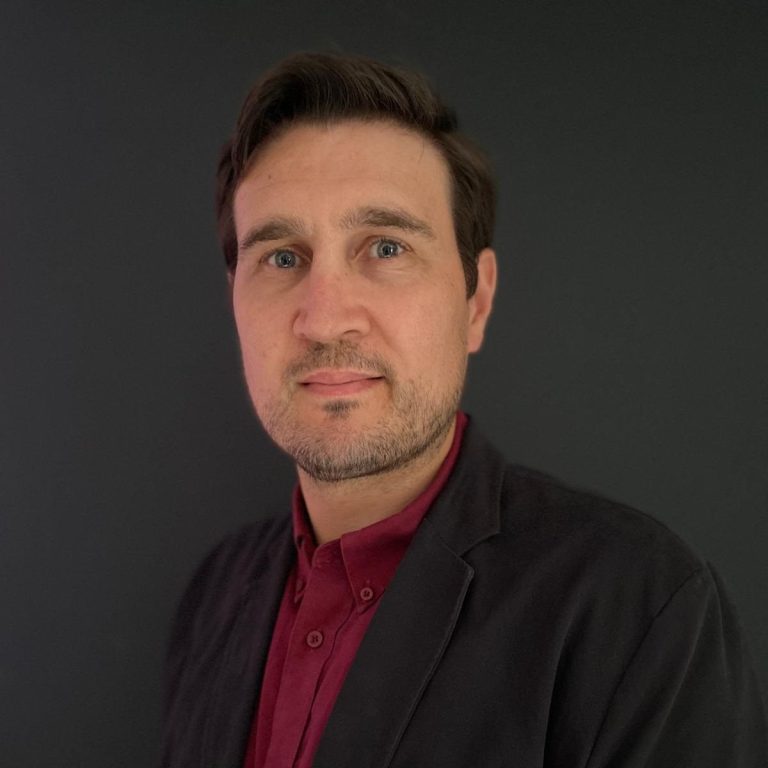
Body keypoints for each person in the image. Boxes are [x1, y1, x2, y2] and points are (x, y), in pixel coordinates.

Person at [160, 52, 766, 768]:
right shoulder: (214, 597)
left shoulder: (638, 609)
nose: (324, 320)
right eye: (283, 258)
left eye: (385, 247)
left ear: (475, 300)